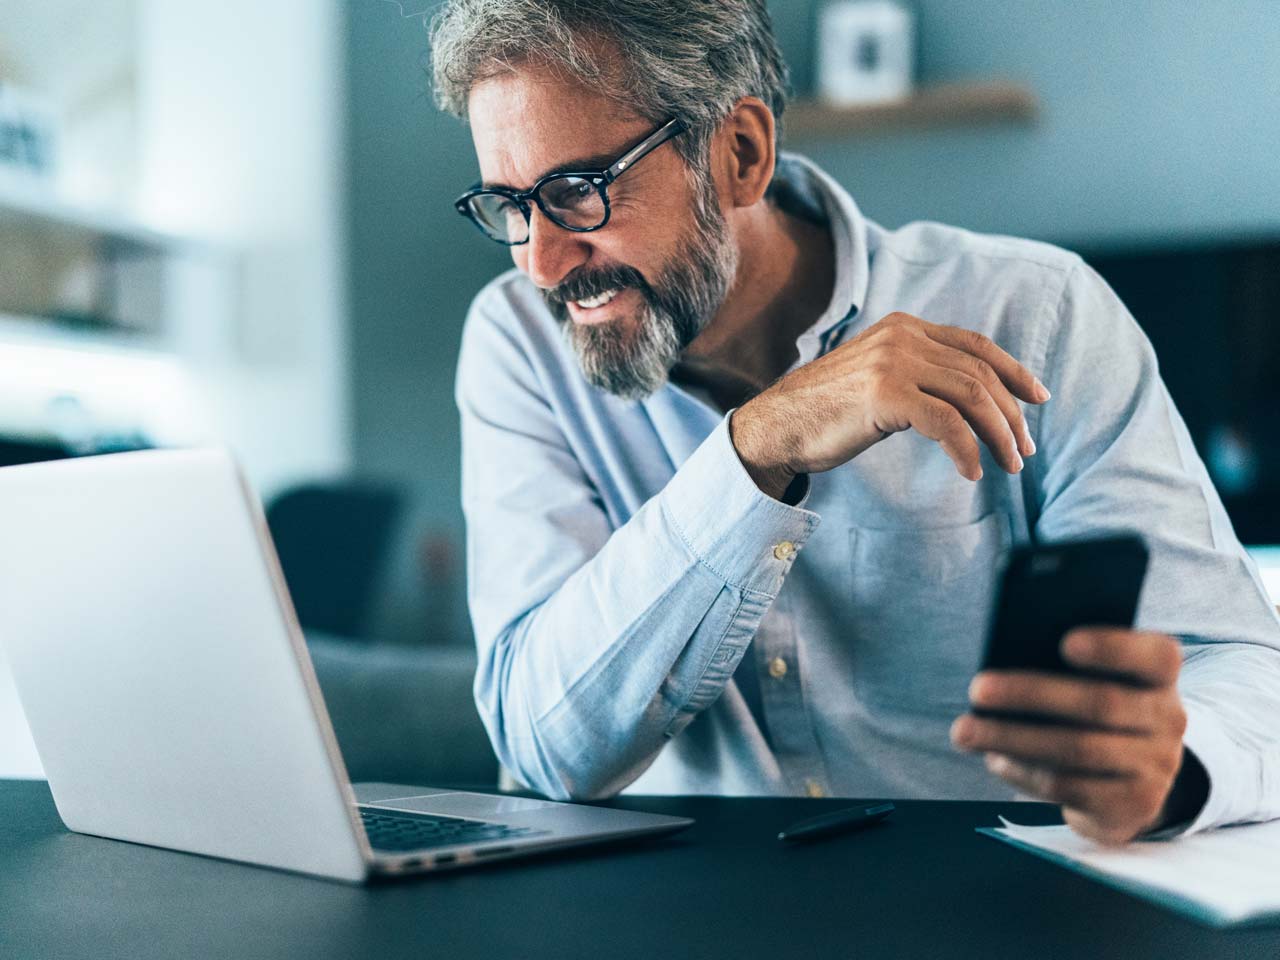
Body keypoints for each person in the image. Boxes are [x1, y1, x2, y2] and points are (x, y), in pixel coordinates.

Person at [430, 0, 1280, 844]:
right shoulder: (520, 345)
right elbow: (546, 750)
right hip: (692, 912)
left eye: (577, 192)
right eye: (508, 205)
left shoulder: (1037, 315)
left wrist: (1172, 767)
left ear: (740, 153)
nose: (541, 262)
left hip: (1000, 905)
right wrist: (755, 450)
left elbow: (1246, 673)